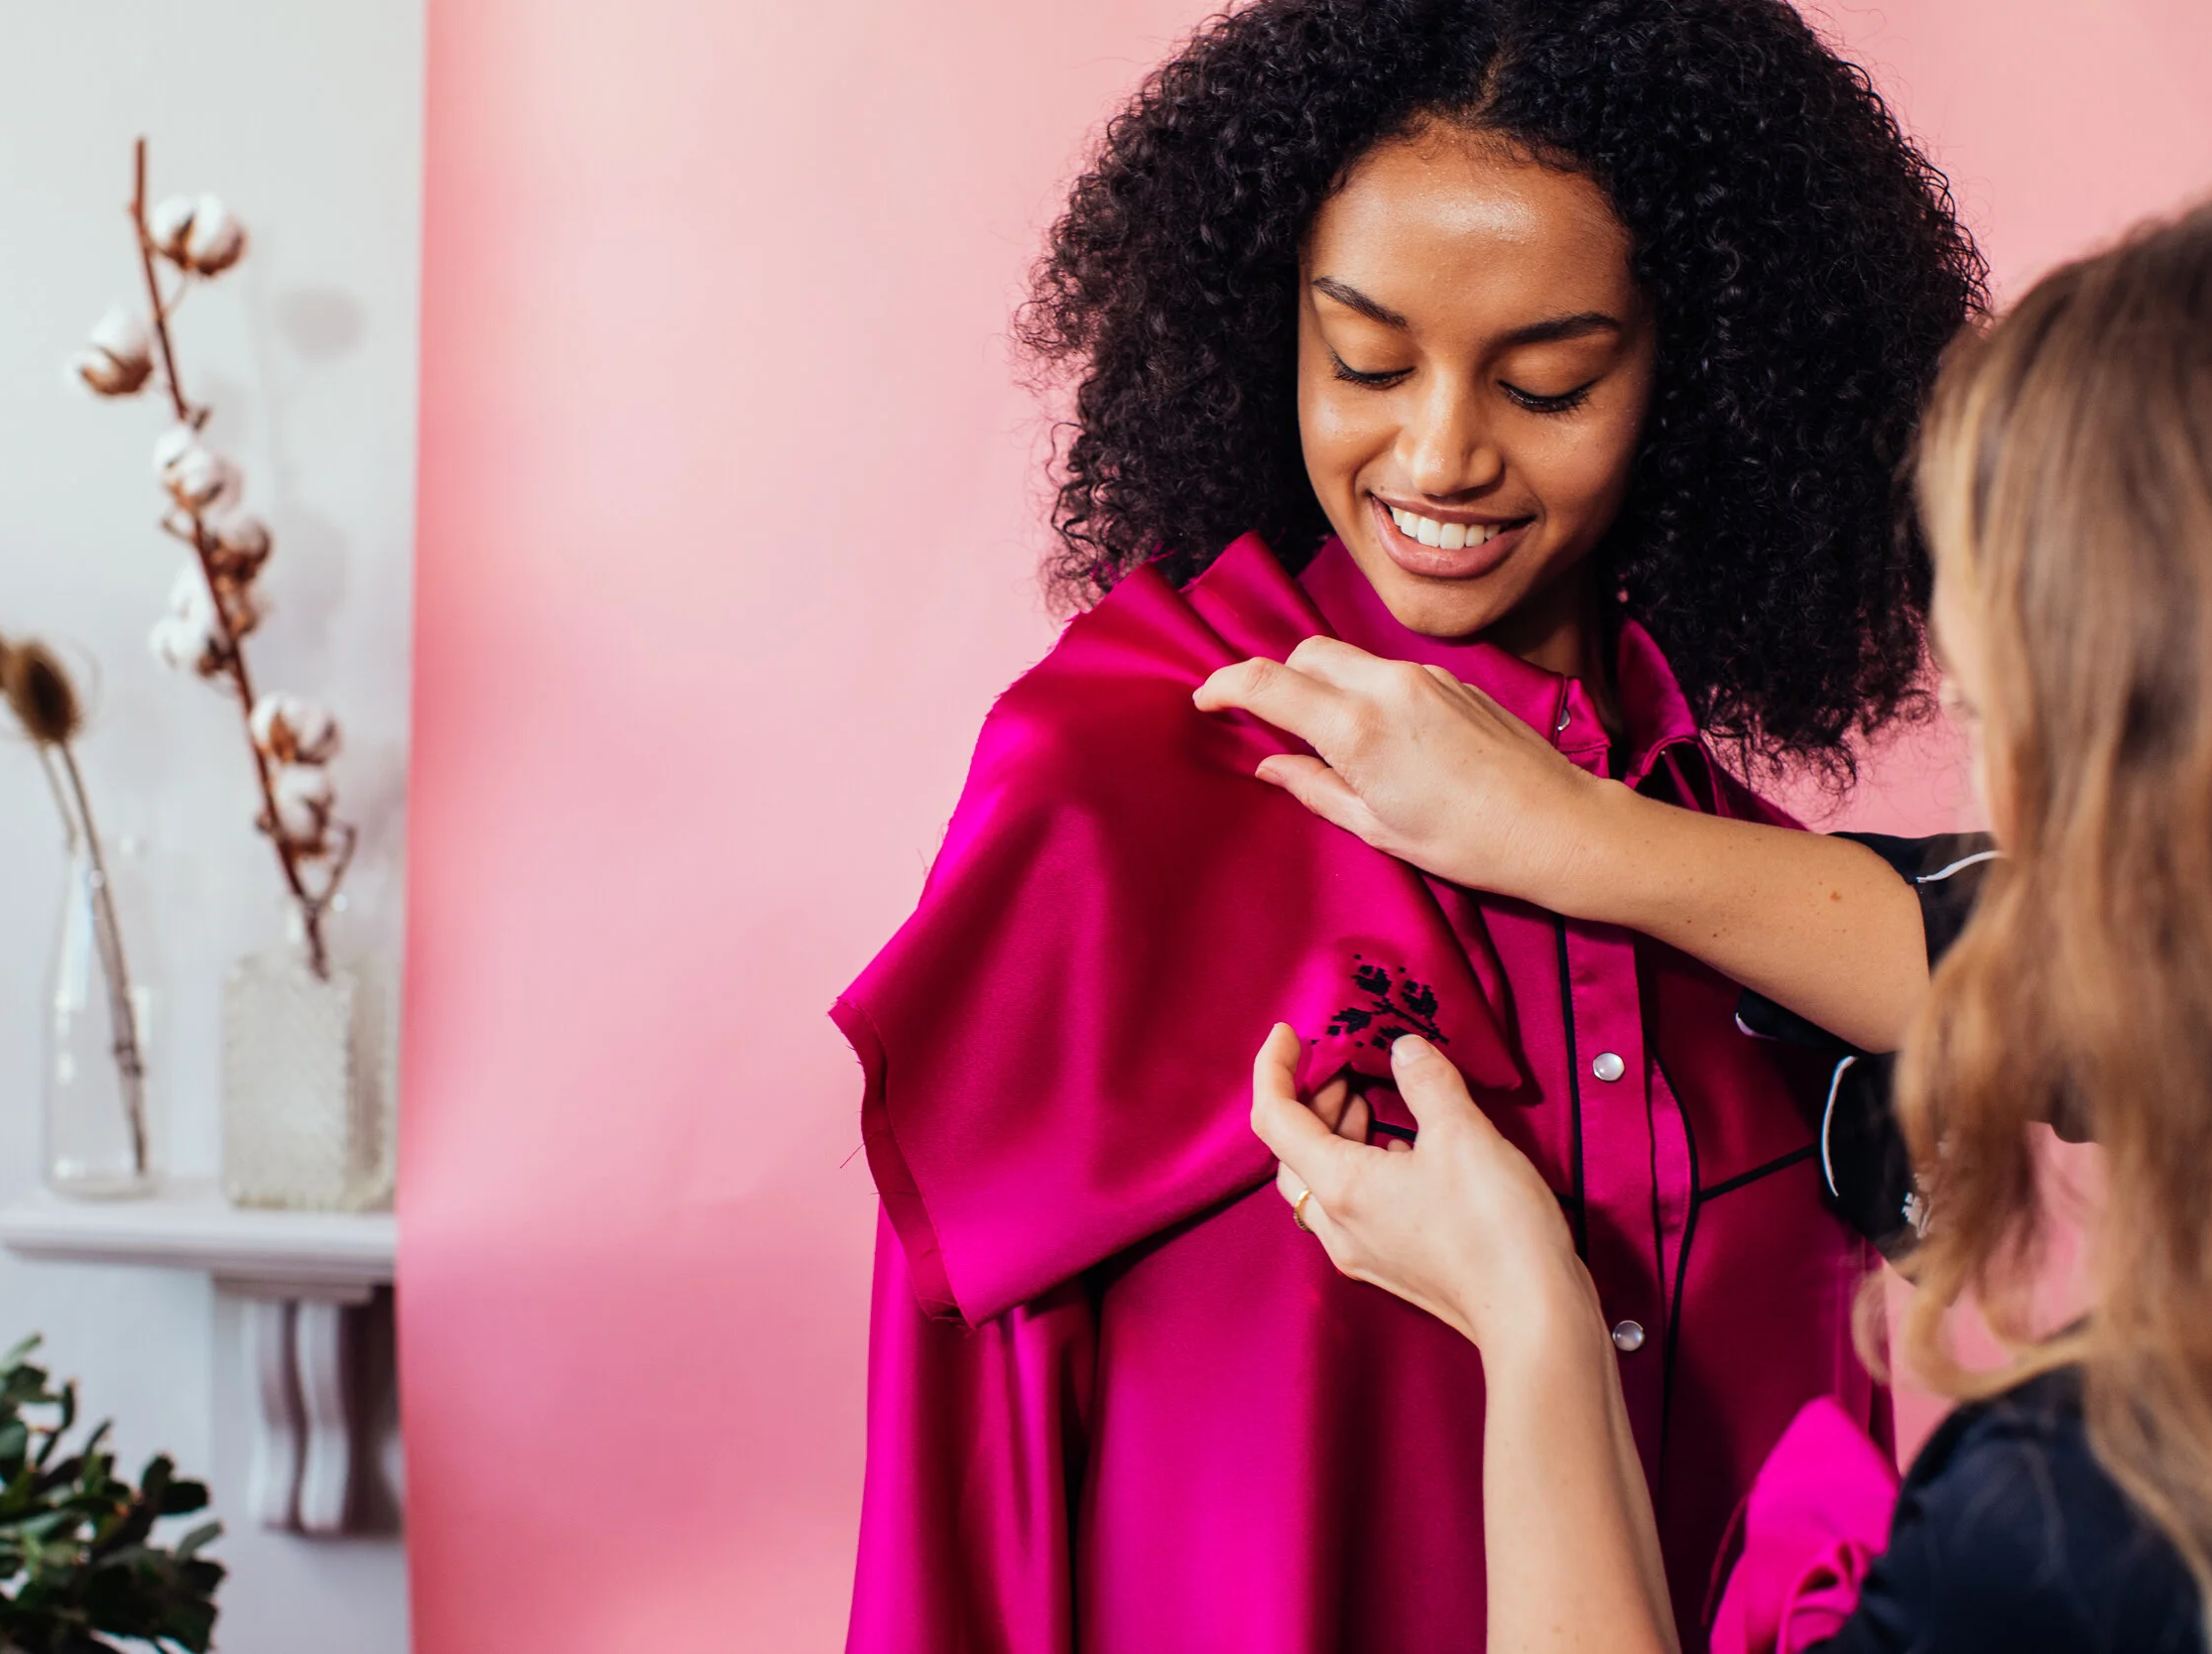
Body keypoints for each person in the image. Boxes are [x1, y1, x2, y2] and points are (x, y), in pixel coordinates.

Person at [832, 3, 1982, 1648]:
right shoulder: (1112, 798)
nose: (1440, 450)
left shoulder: (1775, 922)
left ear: (1697, 367)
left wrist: (1569, 832)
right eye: (1365, 358)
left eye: (1550, 380)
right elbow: (957, 1505)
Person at [1246, 182, 2212, 1653]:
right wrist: (1589, 837)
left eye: (1991, 721)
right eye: (1372, 362)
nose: (1447, 449)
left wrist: (1533, 1320)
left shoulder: (2091, 1517)